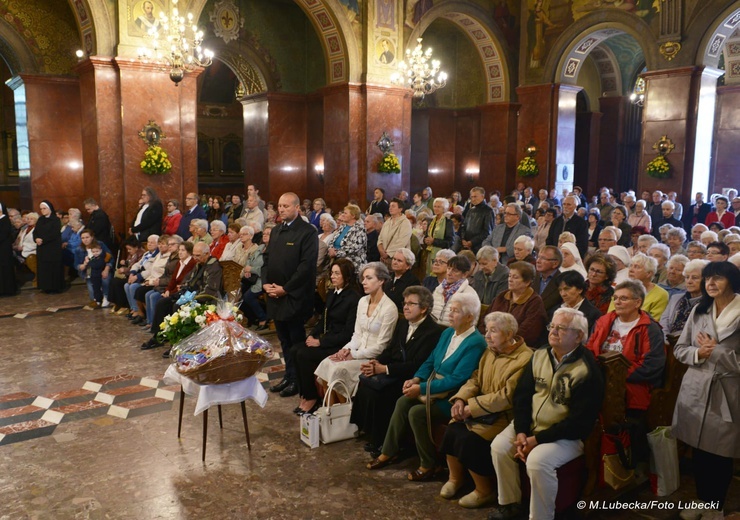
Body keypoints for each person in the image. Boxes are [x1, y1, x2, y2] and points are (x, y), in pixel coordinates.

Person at [489, 308, 604, 520]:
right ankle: (510, 504)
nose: (554, 331)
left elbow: (579, 423)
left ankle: (541, 517)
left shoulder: (586, 370)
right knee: (499, 446)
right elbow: (522, 397)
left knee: (537, 461)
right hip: (531, 427)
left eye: (561, 328)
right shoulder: (540, 355)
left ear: (579, 336)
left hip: (565, 436)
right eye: (552, 326)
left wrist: (536, 440)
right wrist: (522, 431)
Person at [367, 292, 486, 481]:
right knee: (403, 401)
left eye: (455, 311)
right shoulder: (448, 332)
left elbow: (458, 378)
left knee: (417, 413)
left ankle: (429, 464)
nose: (450, 315)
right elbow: (430, 360)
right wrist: (416, 379)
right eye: (451, 310)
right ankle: (389, 451)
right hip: (432, 385)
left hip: (453, 396)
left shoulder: (476, 342)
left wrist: (421, 389)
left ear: (470, 317)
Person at [440, 312, 533, 509]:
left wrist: (471, 408)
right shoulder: (490, 351)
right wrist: (460, 399)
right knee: (452, 429)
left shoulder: (524, 358)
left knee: (471, 440)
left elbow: (507, 396)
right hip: (480, 409)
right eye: (486, 330)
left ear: (508, 335)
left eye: (493, 331)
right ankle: (455, 479)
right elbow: (476, 379)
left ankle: (484, 491)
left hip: (502, 416)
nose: (487, 336)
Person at [672, 261, 740, 519]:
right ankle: (702, 501)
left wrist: (718, 352)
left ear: (732, 281)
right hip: (696, 388)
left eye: (717, 279)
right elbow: (680, 349)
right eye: (707, 279)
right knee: (698, 450)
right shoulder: (699, 310)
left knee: (720, 454)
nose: (710, 284)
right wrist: (698, 352)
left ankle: (716, 508)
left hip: (728, 389)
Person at [352, 286, 445, 455]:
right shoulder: (403, 324)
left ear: (424, 308)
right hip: (395, 370)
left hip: (411, 377)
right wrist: (377, 361)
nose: (406, 307)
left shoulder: (433, 331)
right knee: (365, 385)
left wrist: (384, 369)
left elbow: (418, 364)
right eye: (405, 303)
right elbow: (391, 349)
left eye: (411, 303)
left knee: (381, 394)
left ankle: (384, 442)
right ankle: (370, 433)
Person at [314, 262, 398, 397]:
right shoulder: (363, 301)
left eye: (369, 278)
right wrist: (345, 350)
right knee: (326, 362)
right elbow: (357, 334)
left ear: (381, 280)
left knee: (339, 370)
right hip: (356, 351)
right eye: (363, 278)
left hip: (372, 357)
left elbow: (381, 346)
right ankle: (329, 411)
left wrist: (353, 355)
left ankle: (343, 413)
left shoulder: (389, 308)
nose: (364, 282)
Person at [263, 193, 318, 397]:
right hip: (275, 294)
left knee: (296, 342)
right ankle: (288, 375)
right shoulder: (276, 230)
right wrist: (266, 283)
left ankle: (299, 380)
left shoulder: (307, 232)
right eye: (279, 206)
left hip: (294, 296)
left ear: (297, 208)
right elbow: (266, 259)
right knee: (283, 340)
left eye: (286, 205)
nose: (281, 209)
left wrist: (286, 288)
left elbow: (306, 267)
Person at [294, 259, 362, 414]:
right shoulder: (332, 293)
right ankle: (304, 394)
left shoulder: (354, 298)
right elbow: (323, 320)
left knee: (303, 354)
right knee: (295, 350)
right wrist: (312, 336)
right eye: (332, 273)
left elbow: (348, 333)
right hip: (327, 337)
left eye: (337, 273)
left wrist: (320, 342)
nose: (333, 276)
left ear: (347, 275)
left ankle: (312, 398)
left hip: (339, 343)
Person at [587, 280, 665, 414]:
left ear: (637, 302)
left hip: (631, 386)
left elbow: (651, 366)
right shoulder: (603, 321)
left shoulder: (650, 329)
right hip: (598, 380)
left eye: (623, 298)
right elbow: (589, 350)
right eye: (615, 298)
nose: (617, 302)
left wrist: (614, 374)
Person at [142, 241, 223, 354]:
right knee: (162, 303)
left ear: (207, 254)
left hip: (205, 298)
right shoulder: (198, 263)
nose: (195, 258)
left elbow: (210, 290)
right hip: (190, 295)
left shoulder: (214, 267)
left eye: (198, 255)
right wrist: (184, 288)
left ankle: (177, 343)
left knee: (177, 306)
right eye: (194, 255)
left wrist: (192, 298)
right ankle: (158, 336)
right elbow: (188, 280)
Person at [479, 261, 548, 348]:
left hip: (516, 348)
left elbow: (527, 333)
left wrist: (500, 340)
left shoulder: (534, 302)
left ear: (527, 282)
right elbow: (484, 320)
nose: (510, 280)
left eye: (515, 277)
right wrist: (486, 336)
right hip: (490, 343)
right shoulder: (502, 296)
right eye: (509, 276)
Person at [660, 258, 708, 337]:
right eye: (687, 277)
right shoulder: (675, 298)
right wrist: (665, 341)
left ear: (705, 280)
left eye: (695, 277)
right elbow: (664, 322)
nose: (689, 281)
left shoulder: (709, 302)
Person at [432, 255, 478, 326]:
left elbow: (472, 322)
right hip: (434, 329)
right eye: (448, 268)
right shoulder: (439, 289)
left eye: (455, 271)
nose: (449, 273)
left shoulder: (469, 294)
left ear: (465, 274)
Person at [238, 226, 268, 330]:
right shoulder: (260, 247)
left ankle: (263, 318)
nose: (265, 236)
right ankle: (251, 317)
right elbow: (250, 259)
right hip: (252, 278)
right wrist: (247, 269)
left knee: (248, 296)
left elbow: (267, 269)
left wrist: (251, 269)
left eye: (268, 234)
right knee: (237, 294)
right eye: (264, 234)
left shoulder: (274, 250)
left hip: (263, 279)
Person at [34, 200, 65, 293]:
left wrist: (42, 240)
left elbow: (54, 234)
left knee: (52, 268)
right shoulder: (40, 219)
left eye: (44, 208)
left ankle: (54, 287)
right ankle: (44, 286)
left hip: (52, 248)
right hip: (42, 248)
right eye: (41, 209)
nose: (42, 210)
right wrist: (36, 238)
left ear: (50, 208)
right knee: (43, 268)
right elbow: (35, 231)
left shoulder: (55, 220)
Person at [327, 204, 366, 274]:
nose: (343, 215)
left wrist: (336, 253)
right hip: (337, 262)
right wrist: (330, 249)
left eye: (345, 213)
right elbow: (332, 240)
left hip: (352, 263)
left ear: (353, 216)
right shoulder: (343, 226)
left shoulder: (360, 228)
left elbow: (354, 247)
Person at [459, 187, 494, 254]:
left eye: (475, 196)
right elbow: (463, 226)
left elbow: (487, 232)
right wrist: (463, 239)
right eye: (472, 197)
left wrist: (472, 242)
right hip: (466, 245)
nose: (473, 199)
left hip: (479, 246)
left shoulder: (488, 211)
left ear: (482, 196)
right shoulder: (470, 210)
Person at [377, 198, 412, 264]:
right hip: (384, 258)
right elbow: (380, 238)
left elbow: (401, 242)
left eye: (393, 206)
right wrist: (381, 251)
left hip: (398, 258)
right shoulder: (387, 222)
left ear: (400, 209)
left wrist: (388, 254)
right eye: (390, 206)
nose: (390, 208)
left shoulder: (405, 223)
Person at [424, 197, 454, 274]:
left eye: (439, 207)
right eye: (435, 206)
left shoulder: (448, 222)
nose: (436, 208)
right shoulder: (431, 221)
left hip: (441, 255)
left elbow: (450, 242)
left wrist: (434, 241)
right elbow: (426, 236)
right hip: (429, 253)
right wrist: (426, 240)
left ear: (444, 208)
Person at [532, 245, 563, 315]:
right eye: (538, 257)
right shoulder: (532, 277)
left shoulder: (562, 281)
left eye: (543, 258)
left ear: (555, 263)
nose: (538, 261)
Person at [0, 202, 17, 296]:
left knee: (5, 269)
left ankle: (7, 290)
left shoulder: (5, 220)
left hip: (4, 249)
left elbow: (4, 233)